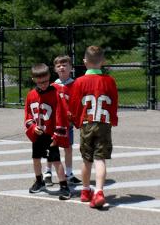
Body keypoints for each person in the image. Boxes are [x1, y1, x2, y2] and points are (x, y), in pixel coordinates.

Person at [68, 46, 119, 210]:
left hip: (87, 122)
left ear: (84, 61)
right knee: (100, 159)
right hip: (103, 122)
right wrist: (113, 119)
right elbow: (114, 102)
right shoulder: (109, 81)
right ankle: (98, 191)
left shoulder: (79, 82)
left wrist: (75, 121)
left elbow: (75, 105)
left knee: (86, 159)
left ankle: (85, 190)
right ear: (103, 61)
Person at [24, 63, 71, 200]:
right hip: (38, 133)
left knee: (55, 160)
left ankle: (63, 185)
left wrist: (57, 134)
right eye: (40, 82)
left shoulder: (56, 93)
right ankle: (39, 181)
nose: (43, 84)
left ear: (50, 76)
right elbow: (28, 115)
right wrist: (33, 127)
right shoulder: (31, 95)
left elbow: (61, 115)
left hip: (51, 134)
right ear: (34, 80)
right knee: (36, 158)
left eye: (45, 81)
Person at [46, 55, 81, 185]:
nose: (62, 67)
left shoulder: (75, 85)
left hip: (68, 123)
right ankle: (47, 172)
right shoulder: (53, 86)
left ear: (71, 68)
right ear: (55, 69)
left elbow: (77, 104)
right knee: (52, 147)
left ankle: (69, 174)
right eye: (59, 65)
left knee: (68, 148)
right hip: (54, 124)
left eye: (65, 65)